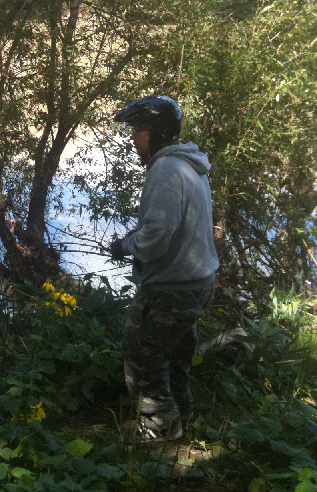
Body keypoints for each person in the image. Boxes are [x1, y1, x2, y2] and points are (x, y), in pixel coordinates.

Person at [109, 95, 219, 442]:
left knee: (142, 353)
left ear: (156, 132)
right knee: (176, 357)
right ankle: (183, 414)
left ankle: (160, 428)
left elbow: (156, 238)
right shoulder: (189, 165)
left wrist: (125, 246)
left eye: (139, 130)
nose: (133, 137)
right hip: (198, 282)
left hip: (173, 287)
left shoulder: (167, 170)